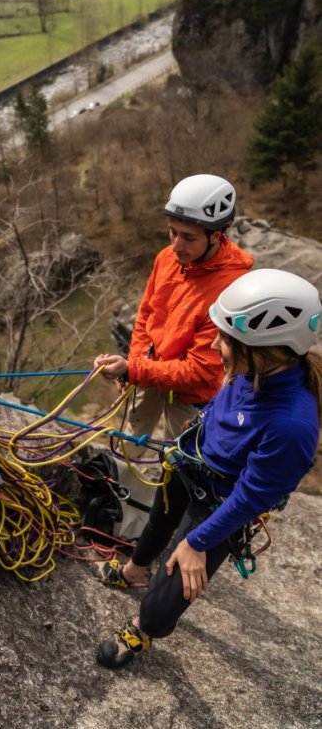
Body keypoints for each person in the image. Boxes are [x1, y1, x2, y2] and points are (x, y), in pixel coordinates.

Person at [94, 268, 322, 670]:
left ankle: (144, 627)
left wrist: (198, 542)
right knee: (157, 524)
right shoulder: (253, 370)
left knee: (173, 585)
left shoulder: (292, 425)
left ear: (267, 348)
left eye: (225, 340)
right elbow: (222, 406)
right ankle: (133, 571)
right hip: (190, 461)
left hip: (221, 505)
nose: (215, 346)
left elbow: (252, 497)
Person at [93, 173, 253, 537]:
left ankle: (159, 532)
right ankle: (119, 512)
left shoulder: (232, 288)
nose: (177, 245)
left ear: (219, 234)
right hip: (150, 370)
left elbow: (199, 370)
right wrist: (132, 368)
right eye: (172, 232)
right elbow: (146, 315)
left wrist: (135, 369)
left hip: (192, 391)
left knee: (177, 465)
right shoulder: (167, 259)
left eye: (189, 237)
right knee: (130, 440)